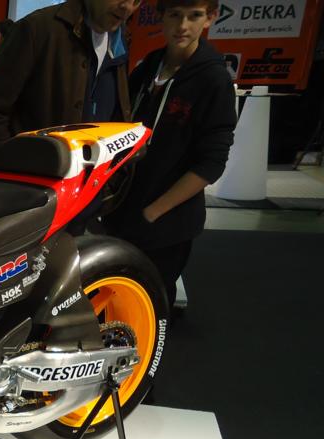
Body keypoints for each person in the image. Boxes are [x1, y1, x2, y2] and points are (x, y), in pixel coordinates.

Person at [104, 0, 236, 307]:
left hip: (165, 222)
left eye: (194, 16)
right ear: (161, 16)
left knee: (152, 303)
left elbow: (212, 163)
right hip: (122, 209)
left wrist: (153, 213)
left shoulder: (213, 79)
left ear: (210, 18)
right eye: (175, 15)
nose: (183, 26)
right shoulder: (149, 65)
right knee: (116, 300)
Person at [0, 0, 139, 165]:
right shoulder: (36, 29)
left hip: (94, 179)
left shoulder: (121, 40)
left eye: (137, 0)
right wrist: (12, 170)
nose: (128, 7)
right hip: (34, 179)